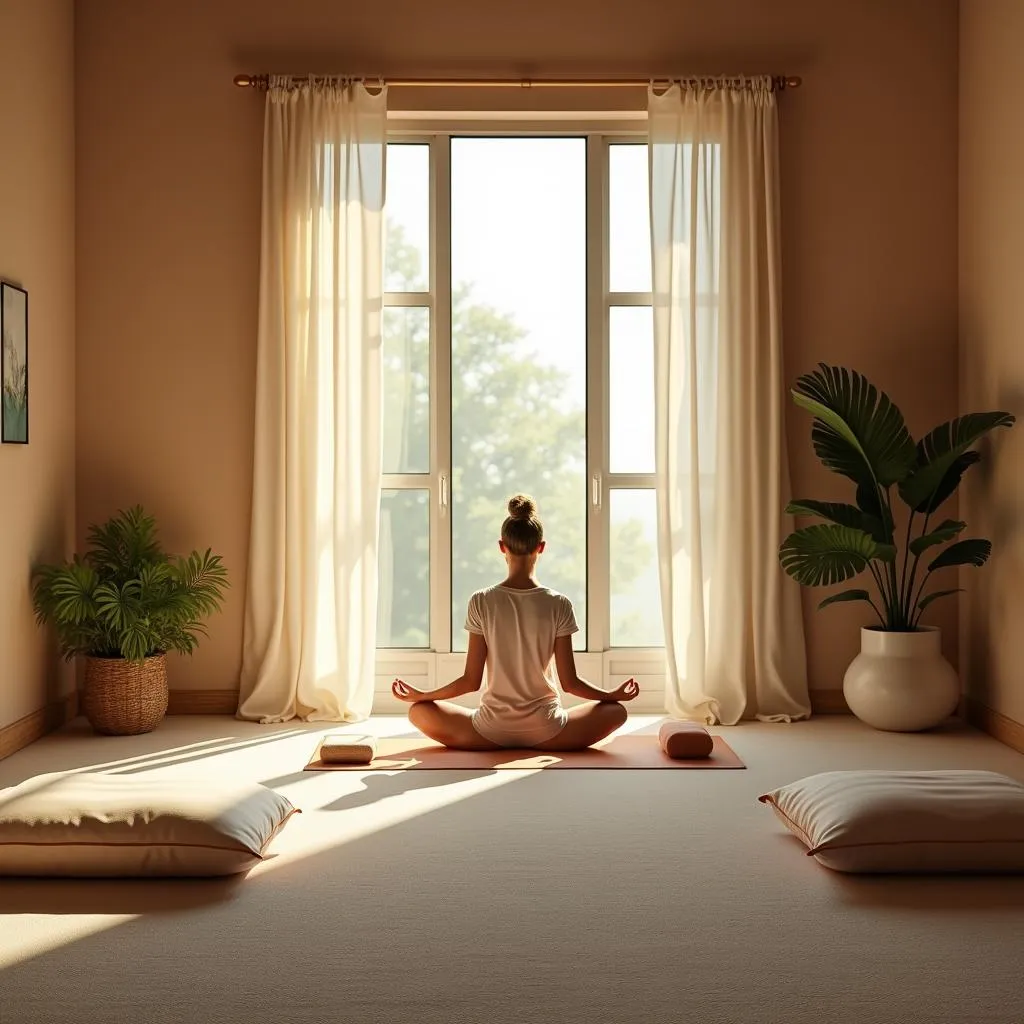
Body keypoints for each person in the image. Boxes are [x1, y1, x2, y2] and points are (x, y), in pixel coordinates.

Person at [391, 493, 640, 750]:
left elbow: (470, 681)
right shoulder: (559, 603)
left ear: (502, 546)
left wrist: (423, 695)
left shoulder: (481, 601)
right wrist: (611, 695)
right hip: (548, 729)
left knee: (418, 711)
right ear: (541, 547)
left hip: (491, 729)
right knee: (616, 711)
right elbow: (570, 683)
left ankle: (495, 738)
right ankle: (542, 739)